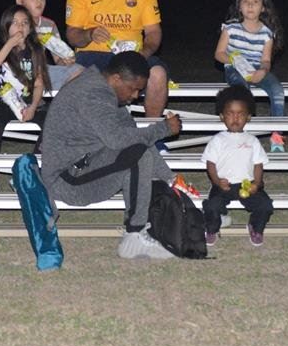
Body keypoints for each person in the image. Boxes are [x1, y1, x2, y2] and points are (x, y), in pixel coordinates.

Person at [39, 52, 182, 260]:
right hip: (65, 180)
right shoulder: (93, 94)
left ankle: (137, 232)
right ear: (116, 78)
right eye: (134, 89)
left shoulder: (107, 92)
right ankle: (134, 236)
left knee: (136, 147)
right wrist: (163, 129)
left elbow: (134, 136)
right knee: (137, 154)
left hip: (85, 166)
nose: (135, 96)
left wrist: (171, 179)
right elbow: (119, 141)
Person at [65, 0, 169, 120]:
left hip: (133, 55)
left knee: (158, 73)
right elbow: (72, 35)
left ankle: (152, 134)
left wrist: (143, 54)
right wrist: (89, 34)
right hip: (95, 55)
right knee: (85, 76)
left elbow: (153, 31)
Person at [0, 5, 51, 194]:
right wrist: (9, 45)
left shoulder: (35, 49)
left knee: (52, 124)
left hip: (29, 100)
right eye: (15, 23)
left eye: (25, 23)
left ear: (30, 27)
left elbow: (40, 82)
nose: (20, 27)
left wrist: (33, 106)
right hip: (5, 100)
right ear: (6, 25)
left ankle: (28, 174)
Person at [213, 0, 287, 152]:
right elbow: (219, 54)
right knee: (242, 90)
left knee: (277, 90)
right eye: (245, 1)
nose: (250, 5)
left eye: (255, 1)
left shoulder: (267, 33)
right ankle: (241, 135)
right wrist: (234, 60)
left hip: (257, 68)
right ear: (239, 7)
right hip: (234, 67)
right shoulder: (230, 28)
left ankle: (277, 135)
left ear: (263, 7)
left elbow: (266, 61)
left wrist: (262, 71)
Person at [201, 85, 274, 247]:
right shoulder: (218, 140)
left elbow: (258, 164)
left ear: (248, 117)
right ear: (222, 116)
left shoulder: (252, 141)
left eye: (240, 114)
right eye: (230, 114)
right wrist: (217, 181)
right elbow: (210, 163)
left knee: (265, 205)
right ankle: (211, 228)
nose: (235, 118)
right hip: (223, 184)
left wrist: (256, 183)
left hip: (247, 184)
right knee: (212, 205)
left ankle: (255, 227)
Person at [15, 0, 84, 91]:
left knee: (79, 71)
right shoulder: (14, 23)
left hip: (41, 71)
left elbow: (57, 58)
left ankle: (62, 105)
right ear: (20, 2)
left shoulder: (49, 25)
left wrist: (65, 61)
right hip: (18, 70)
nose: (39, 1)